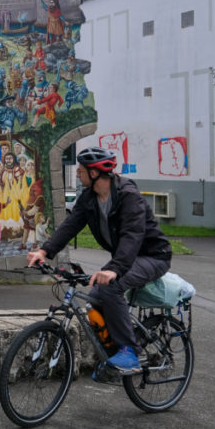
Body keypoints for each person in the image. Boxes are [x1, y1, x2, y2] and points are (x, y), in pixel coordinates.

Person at [27, 147, 173, 375]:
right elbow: (71, 225)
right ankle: (113, 355)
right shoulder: (89, 198)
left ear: (95, 173)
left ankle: (129, 351)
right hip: (126, 258)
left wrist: (115, 269)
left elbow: (131, 236)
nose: (77, 174)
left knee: (111, 287)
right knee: (94, 295)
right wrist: (45, 252)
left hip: (152, 256)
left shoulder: (128, 196)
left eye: (81, 170)